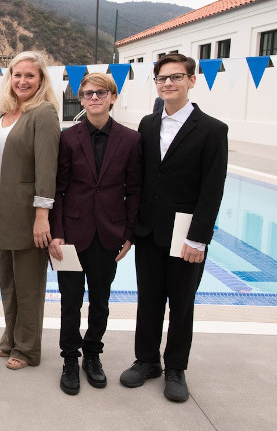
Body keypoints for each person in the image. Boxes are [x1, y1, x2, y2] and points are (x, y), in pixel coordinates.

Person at [120, 53, 228, 403]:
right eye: (162, 78)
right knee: (148, 299)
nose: (168, 83)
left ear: (191, 81)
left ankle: (176, 368)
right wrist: (133, 226)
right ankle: (147, 360)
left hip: (186, 232)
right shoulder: (148, 125)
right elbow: (141, 178)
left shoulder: (212, 130)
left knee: (181, 303)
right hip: (150, 229)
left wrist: (199, 238)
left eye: (176, 77)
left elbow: (213, 188)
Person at [48, 73, 142, 395]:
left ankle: (92, 354)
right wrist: (56, 232)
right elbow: (58, 189)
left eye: (100, 93)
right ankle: (70, 359)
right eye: (87, 94)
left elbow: (135, 190)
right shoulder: (68, 138)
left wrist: (128, 233)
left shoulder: (130, 140)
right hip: (71, 235)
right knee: (70, 301)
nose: (93, 98)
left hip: (109, 234)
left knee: (100, 301)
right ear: (81, 99)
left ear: (112, 97)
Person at [0, 51, 60, 371]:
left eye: (30, 75)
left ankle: (27, 348)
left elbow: (47, 169)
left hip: (28, 208)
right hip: (2, 204)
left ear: (41, 79)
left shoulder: (43, 113)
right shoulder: (4, 114)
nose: (23, 81)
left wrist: (42, 215)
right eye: (17, 75)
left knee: (28, 282)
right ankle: (10, 337)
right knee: (8, 278)